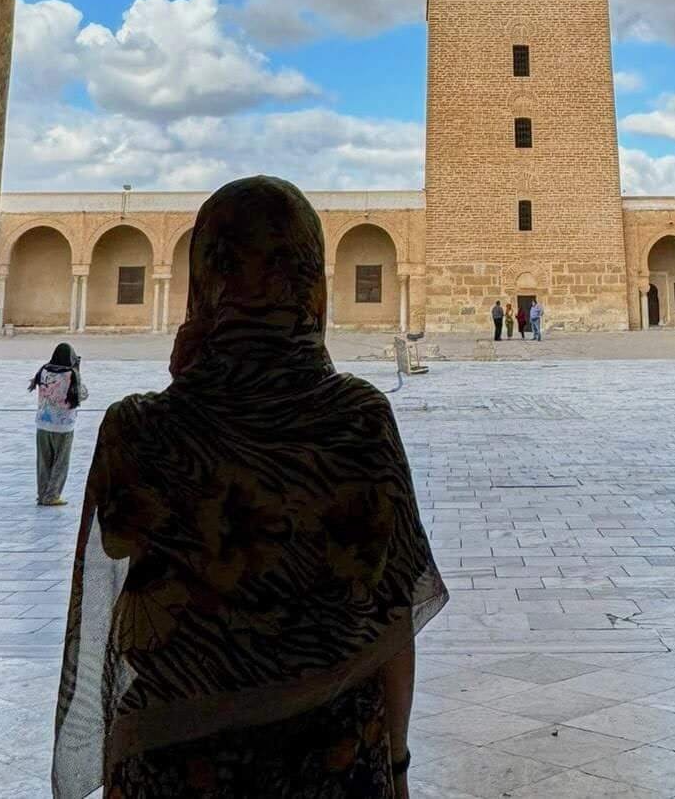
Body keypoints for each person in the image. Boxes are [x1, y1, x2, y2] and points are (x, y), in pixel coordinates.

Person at [53, 176, 447, 799]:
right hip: (330, 760)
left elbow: (122, 551)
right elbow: (392, 618)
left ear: (202, 280)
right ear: (312, 284)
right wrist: (395, 764)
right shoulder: (356, 419)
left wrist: (191, 385)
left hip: (172, 762)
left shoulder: (138, 429)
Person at [30, 341, 87, 507]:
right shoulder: (71, 374)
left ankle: (42, 494)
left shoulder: (43, 370)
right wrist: (77, 372)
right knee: (60, 462)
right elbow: (82, 395)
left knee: (43, 461)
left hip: (42, 423)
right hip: (63, 426)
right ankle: (53, 495)